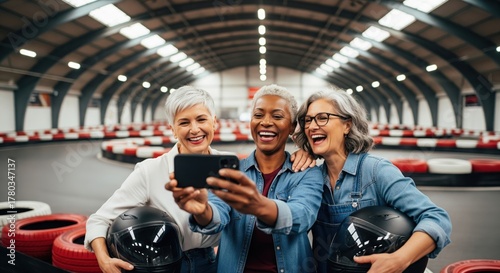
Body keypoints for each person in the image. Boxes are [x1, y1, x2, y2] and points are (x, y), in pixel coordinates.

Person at [85, 85, 314, 273]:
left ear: (213, 122)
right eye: (184, 122)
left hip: (211, 263)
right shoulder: (150, 170)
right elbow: (100, 219)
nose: (194, 129)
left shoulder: (227, 166)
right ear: (173, 129)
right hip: (165, 263)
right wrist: (104, 260)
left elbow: (221, 214)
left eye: (201, 120)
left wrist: (304, 150)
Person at [166, 84, 324, 273]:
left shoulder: (307, 172)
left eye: (277, 116)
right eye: (258, 115)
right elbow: (217, 216)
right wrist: (202, 211)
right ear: (250, 122)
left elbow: (303, 215)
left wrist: (258, 206)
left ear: (291, 126)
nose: (265, 122)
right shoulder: (232, 172)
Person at [293, 89, 452, 273]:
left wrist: (400, 259)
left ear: (347, 125)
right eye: (308, 120)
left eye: (322, 118)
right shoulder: (311, 178)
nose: (312, 126)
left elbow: (437, 218)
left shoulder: (376, 171)